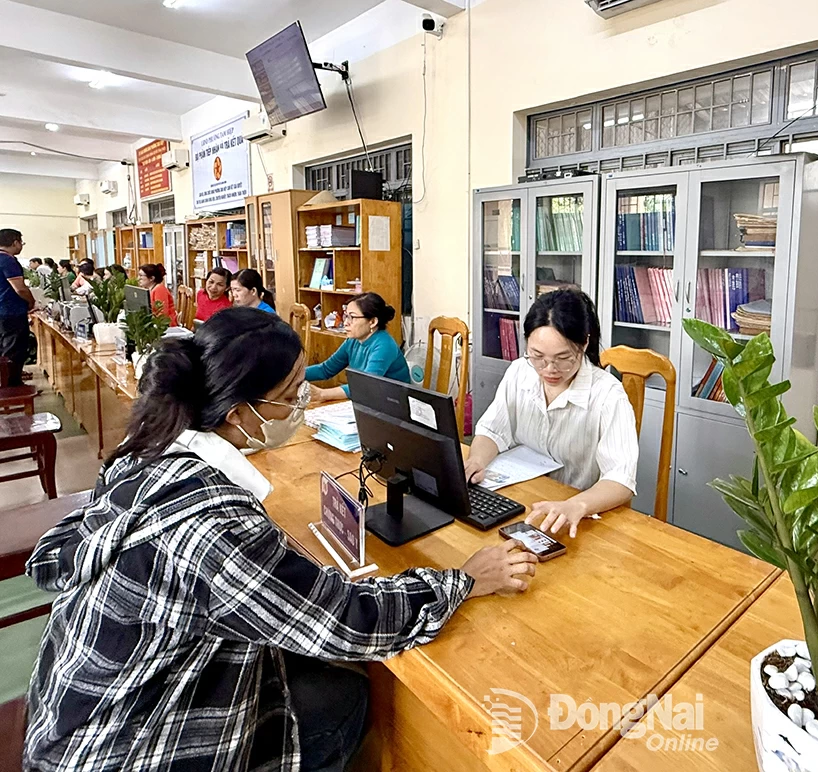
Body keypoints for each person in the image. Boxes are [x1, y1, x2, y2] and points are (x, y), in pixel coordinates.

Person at [23, 307, 538, 771]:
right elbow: (347, 619)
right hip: (130, 746)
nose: (300, 405)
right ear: (236, 413)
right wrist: (463, 580)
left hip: (74, 713)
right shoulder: (212, 524)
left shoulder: (146, 450)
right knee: (346, 695)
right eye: (290, 397)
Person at [464, 288, 639, 538]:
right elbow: (493, 430)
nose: (549, 369)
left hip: (578, 520)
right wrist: (477, 461)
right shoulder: (519, 372)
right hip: (522, 503)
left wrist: (576, 504)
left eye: (563, 358)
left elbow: (621, 480)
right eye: (537, 357)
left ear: (585, 343)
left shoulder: (608, 395)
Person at [305, 292, 410, 402]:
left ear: (373, 322)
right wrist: (293, 375)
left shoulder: (384, 345)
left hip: (393, 405)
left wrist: (322, 394)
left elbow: (365, 384)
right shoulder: (353, 341)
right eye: (346, 316)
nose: (345, 322)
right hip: (369, 400)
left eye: (352, 317)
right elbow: (326, 369)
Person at [0, 229, 34, 387]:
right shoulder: (8, 260)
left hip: (3, 312)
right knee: (15, 350)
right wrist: (31, 301)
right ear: (15, 242)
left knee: (5, 348)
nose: (21, 246)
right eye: (21, 242)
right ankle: (13, 386)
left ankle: (8, 382)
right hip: (11, 312)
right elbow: (19, 289)